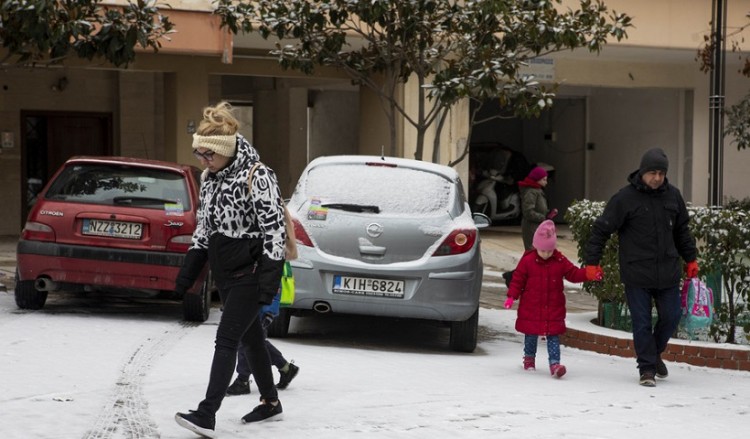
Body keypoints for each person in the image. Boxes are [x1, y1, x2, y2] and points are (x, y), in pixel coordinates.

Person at [173, 101, 287, 437]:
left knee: (226, 341)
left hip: (251, 274)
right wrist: (186, 277)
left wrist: (268, 284)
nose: (203, 162)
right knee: (251, 340)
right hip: (227, 274)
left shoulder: (258, 176)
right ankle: (270, 402)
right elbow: (203, 230)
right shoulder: (211, 178)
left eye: (209, 154)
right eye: (200, 155)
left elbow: (275, 232)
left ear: (226, 150)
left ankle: (207, 413)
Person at [584, 147, 698, 387]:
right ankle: (647, 368)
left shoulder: (673, 196)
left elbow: (682, 232)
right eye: (652, 173)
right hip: (637, 273)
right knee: (642, 322)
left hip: (667, 271)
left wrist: (691, 259)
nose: (657, 178)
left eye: (661, 173)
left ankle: (654, 353)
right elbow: (601, 230)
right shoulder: (625, 198)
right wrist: (592, 263)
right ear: (643, 172)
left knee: (672, 315)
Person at [504, 220, 602, 378]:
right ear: (536, 246)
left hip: (553, 307)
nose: (546, 254)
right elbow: (517, 280)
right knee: (530, 334)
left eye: (549, 251)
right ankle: (529, 360)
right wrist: (511, 297)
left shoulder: (559, 260)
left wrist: (588, 274)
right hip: (531, 306)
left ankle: (555, 364)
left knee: (553, 336)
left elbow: (573, 274)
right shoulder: (527, 261)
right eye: (542, 250)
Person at [226, 294, 300, 396]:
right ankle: (285, 368)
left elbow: (273, 288)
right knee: (255, 342)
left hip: (259, 308)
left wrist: (269, 312)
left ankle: (243, 380)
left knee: (247, 341)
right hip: (249, 305)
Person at [519, 166, 557, 251]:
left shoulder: (538, 191)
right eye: (544, 179)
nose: (546, 182)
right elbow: (528, 212)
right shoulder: (531, 192)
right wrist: (543, 218)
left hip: (538, 225)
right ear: (537, 179)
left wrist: (548, 213)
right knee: (533, 252)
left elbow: (540, 207)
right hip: (532, 227)